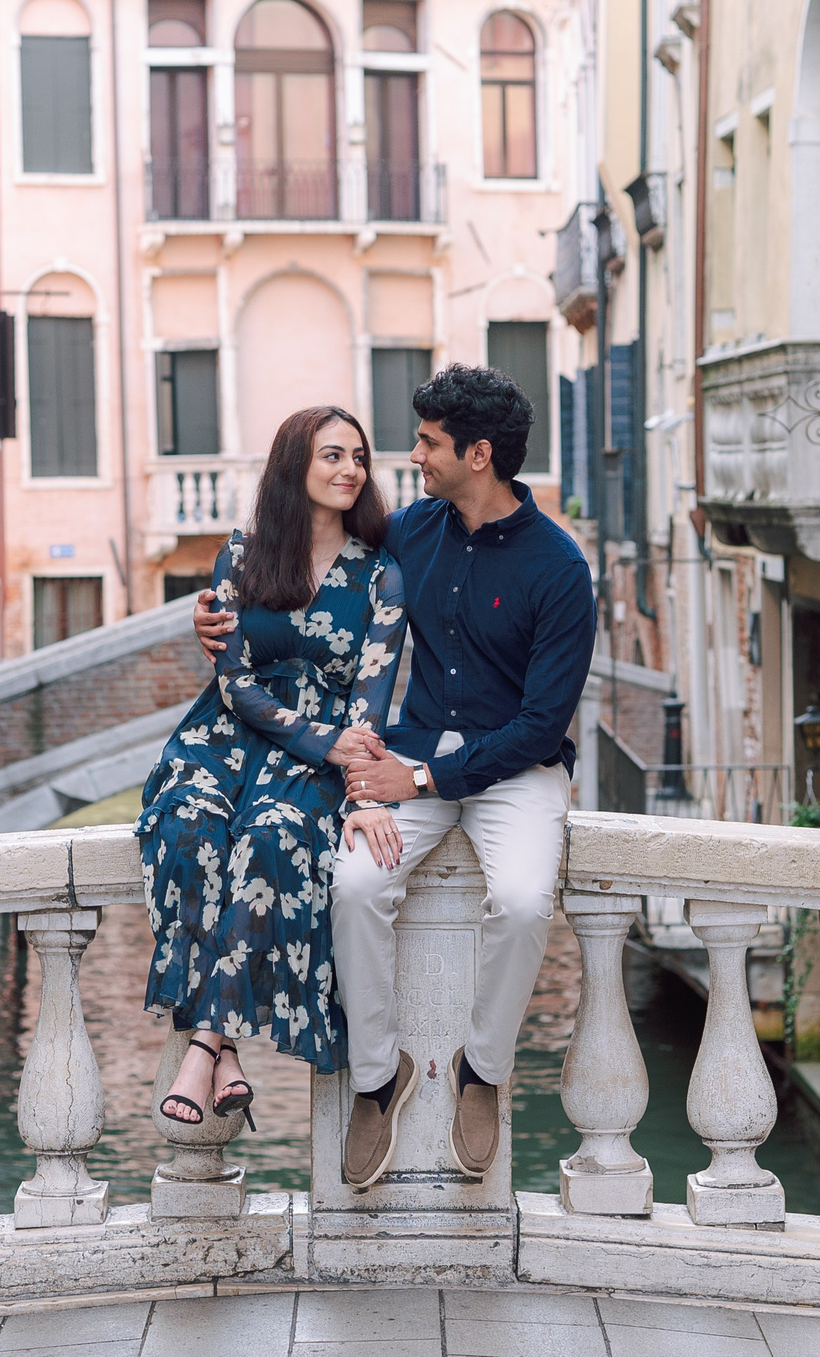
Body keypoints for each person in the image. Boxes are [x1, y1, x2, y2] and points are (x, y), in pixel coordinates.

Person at [195, 365, 593, 1189]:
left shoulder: (560, 568)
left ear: (478, 454)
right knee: (354, 886)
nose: (409, 455)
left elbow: (540, 725)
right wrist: (216, 611)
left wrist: (424, 780)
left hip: (515, 768)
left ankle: (481, 1071)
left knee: (521, 902)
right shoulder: (413, 530)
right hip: (409, 753)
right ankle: (379, 1077)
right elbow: (310, 563)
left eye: (428, 442)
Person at [140, 405, 408, 1127]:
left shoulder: (381, 574)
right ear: (295, 465)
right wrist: (321, 737)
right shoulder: (242, 553)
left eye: (358, 456)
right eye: (332, 455)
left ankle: (205, 1044)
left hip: (315, 758)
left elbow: (369, 698)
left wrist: (349, 767)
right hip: (226, 735)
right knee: (190, 824)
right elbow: (234, 682)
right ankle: (221, 1049)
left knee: (270, 837)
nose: (351, 468)